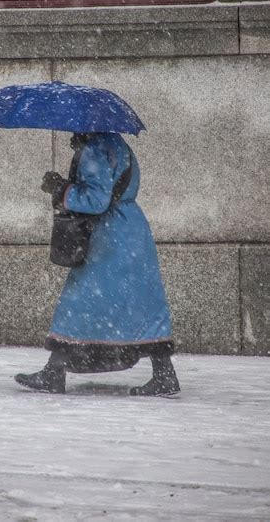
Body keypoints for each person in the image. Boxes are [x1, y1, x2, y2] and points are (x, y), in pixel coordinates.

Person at [15, 132, 180, 396]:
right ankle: (164, 374)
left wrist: (61, 189)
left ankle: (53, 373)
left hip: (109, 237)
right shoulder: (118, 145)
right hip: (131, 230)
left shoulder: (96, 149)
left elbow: (96, 201)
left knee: (79, 302)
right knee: (141, 305)